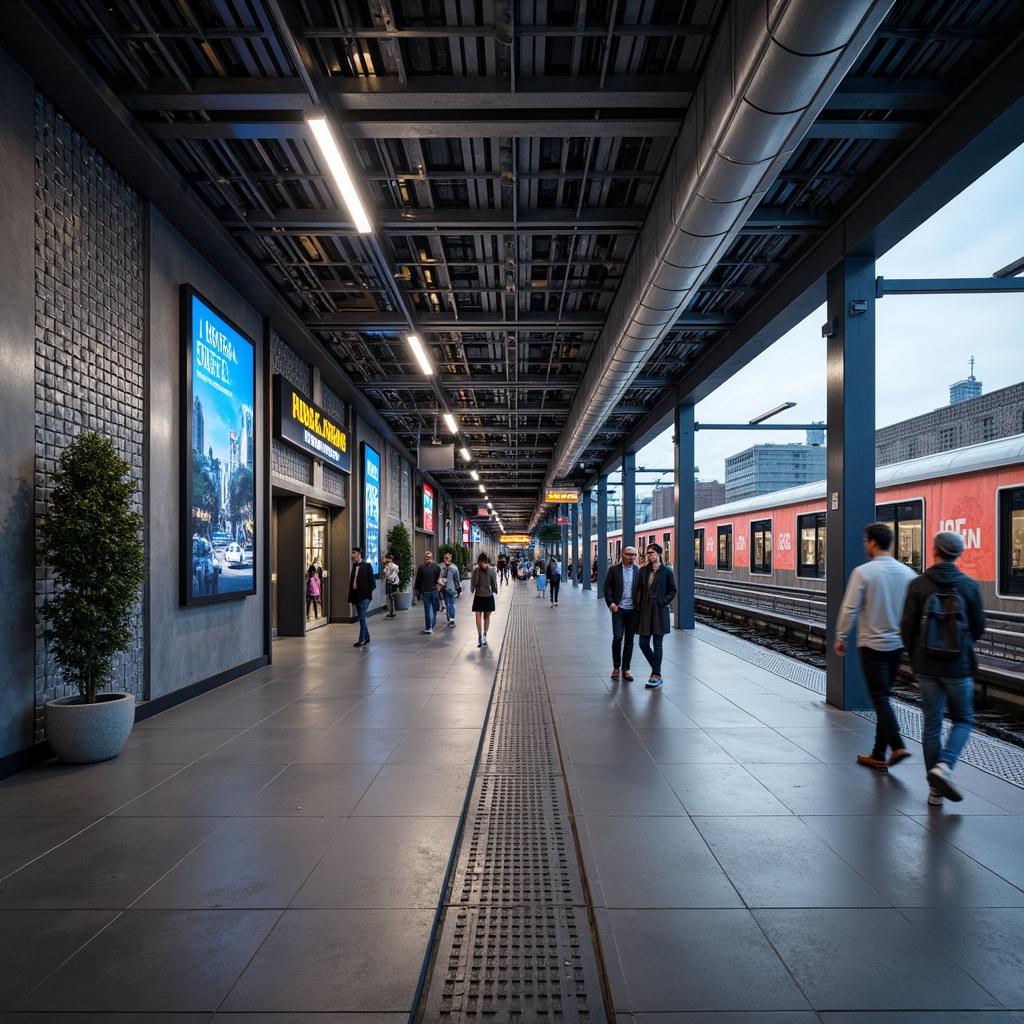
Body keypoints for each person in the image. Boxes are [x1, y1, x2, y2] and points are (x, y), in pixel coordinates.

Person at [901, 530, 986, 805]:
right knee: (963, 719)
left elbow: (908, 627)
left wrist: (916, 657)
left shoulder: (918, 585)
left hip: (926, 665)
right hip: (958, 666)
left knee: (932, 723)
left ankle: (934, 790)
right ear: (958, 554)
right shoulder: (969, 586)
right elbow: (978, 628)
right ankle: (945, 766)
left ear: (934, 551)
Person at [834, 522, 917, 772]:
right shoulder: (908, 574)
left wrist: (840, 635)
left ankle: (897, 745)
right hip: (896, 646)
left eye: (865, 541)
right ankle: (879, 754)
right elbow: (913, 613)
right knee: (885, 696)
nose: (864, 546)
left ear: (871, 542)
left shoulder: (863, 572)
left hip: (871, 644)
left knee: (880, 697)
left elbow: (850, 608)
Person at [635, 542, 677, 688]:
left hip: (659, 609)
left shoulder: (666, 571)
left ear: (659, 554)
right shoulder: (643, 570)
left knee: (657, 644)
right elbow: (639, 588)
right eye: (648, 553)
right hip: (646, 609)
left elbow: (673, 590)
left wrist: (664, 601)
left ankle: (655, 674)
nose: (650, 555)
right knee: (643, 643)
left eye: (652, 553)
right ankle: (657, 671)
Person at [603, 545, 639, 681]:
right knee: (618, 637)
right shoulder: (614, 570)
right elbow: (607, 588)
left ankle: (626, 669)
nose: (632, 557)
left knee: (629, 640)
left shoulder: (638, 570)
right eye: (629, 554)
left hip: (633, 611)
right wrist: (611, 604)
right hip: (618, 609)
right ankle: (616, 667)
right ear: (622, 554)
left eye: (634, 555)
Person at [348, 547, 376, 647]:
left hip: (364, 597)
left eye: (354, 553)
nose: (352, 555)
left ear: (359, 554)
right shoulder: (354, 566)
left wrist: (367, 592)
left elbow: (372, 583)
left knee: (362, 618)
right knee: (361, 618)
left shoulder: (367, 566)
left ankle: (362, 639)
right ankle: (367, 636)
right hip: (356, 595)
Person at [470, 552, 499, 647]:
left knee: (487, 616)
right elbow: (473, 582)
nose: (482, 563)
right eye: (480, 561)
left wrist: (495, 590)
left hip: (488, 596)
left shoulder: (491, 570)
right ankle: (479, 636)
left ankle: (484, 635)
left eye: (483, 561)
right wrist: (472, 588)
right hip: (478, 595)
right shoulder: (476, 570)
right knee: (478, 616)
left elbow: (494, 581)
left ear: (486, 561)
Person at [413, 550, 442, 634]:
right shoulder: (436, 566)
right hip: (434, 591)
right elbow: (439, 577)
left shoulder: (421, 567)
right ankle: (432, 624)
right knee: (434, 609)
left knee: (427, 609)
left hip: (426, 591)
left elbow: (418, 579)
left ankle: (429, 627)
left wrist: (417, 590)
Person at [438, 551, 462, 627]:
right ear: (444, 559)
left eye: (448, 558)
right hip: (445, 588)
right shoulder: (442, 567)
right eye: (446, 558)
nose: (447, 560)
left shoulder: (453, 568)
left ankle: (451, 619)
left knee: (451, 604)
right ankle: (449, 617)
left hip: (451, 589)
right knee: (448, 604)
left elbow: (457, 579)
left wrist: (458, 588)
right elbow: (439, 576)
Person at [382, 551, 399, 618]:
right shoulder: (388, 566)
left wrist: (389, 579)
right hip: (390, 582)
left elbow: (393, 575)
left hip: (391, 582)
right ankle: (391, 611)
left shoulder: (394, 566)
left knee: (390, 596)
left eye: (386, 558)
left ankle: (391, 611)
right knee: (389, 596)